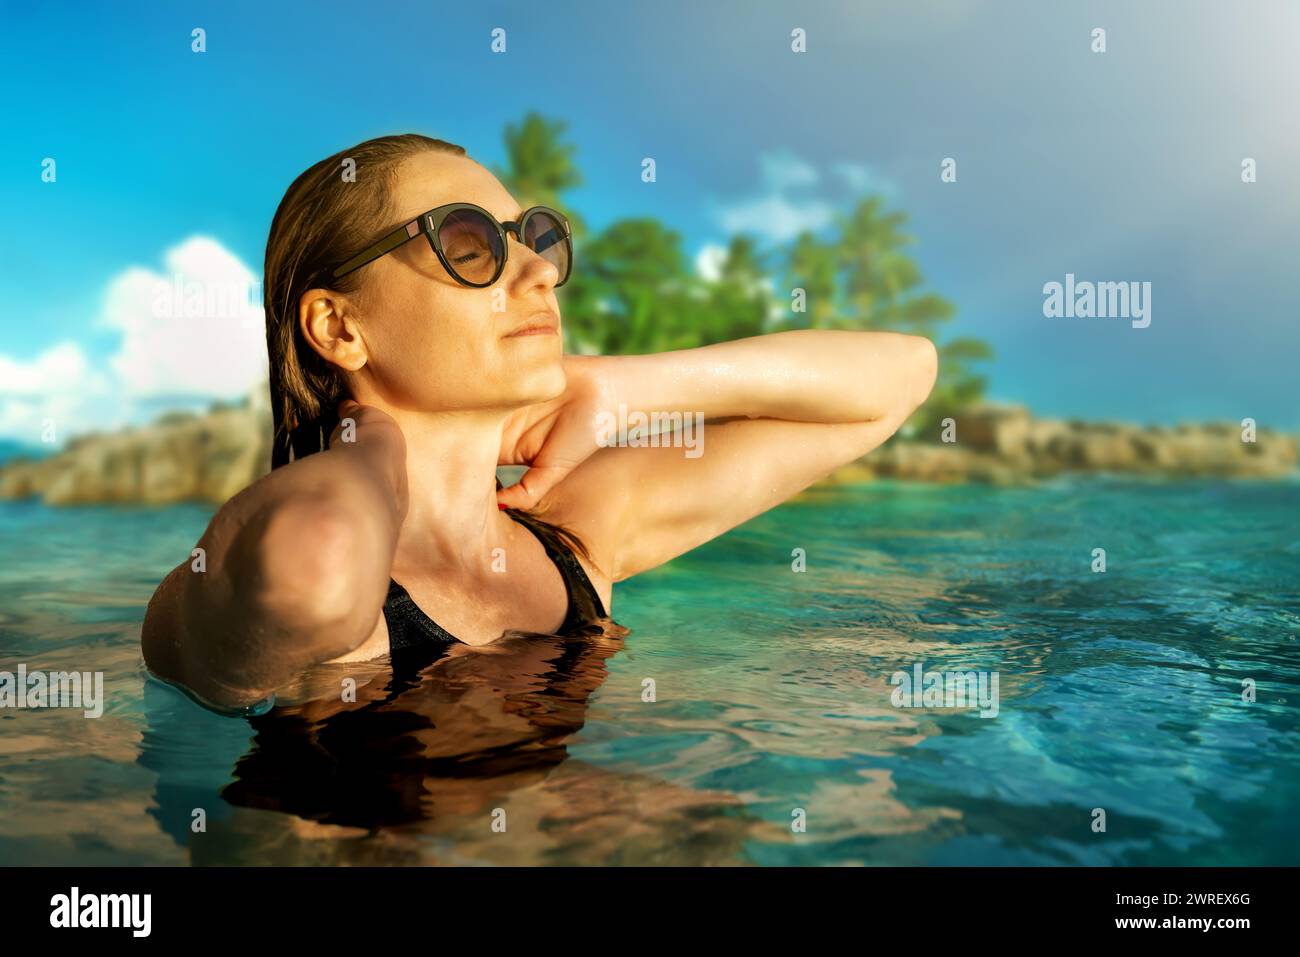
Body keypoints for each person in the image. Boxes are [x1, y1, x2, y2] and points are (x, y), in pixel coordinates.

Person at [141, 132, 938, 713]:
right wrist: (373, 440)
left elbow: (900, 378)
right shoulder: (283, 578)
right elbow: (311, 562)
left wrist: (624, 389)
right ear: (341, 329)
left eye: (535, 238)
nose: (539, 270)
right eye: (470, 242)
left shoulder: (576, 537)